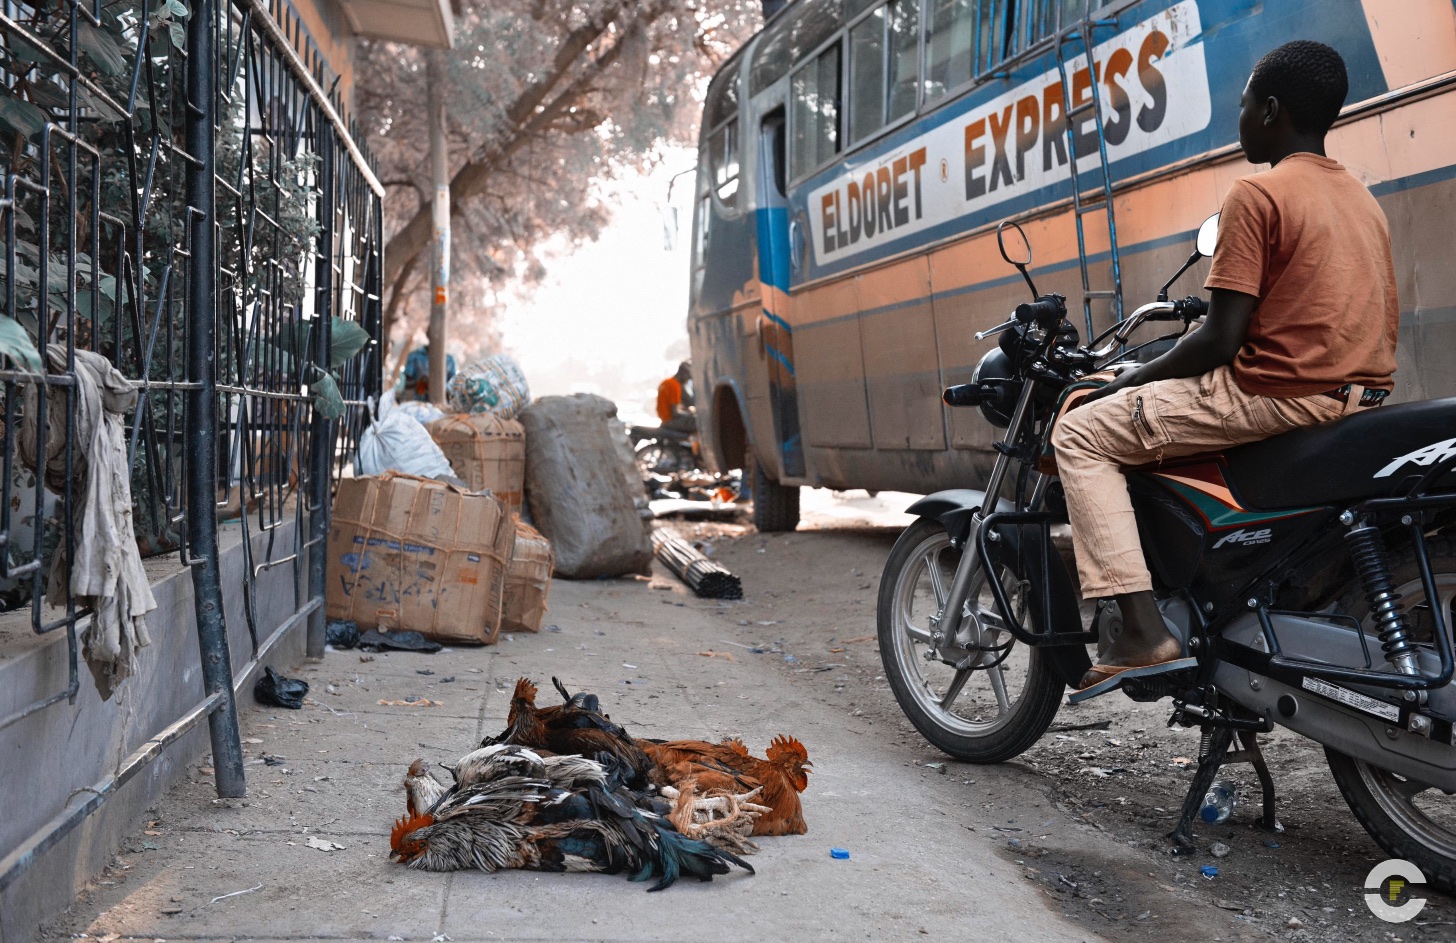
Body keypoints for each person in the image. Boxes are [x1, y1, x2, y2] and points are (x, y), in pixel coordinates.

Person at [1049, 40, 1399, 698]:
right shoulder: (1362, 199)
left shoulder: (1257, 194)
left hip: (1274, 394)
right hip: (1353, 399)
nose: (1238, 119)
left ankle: (1144, 631)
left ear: (1270, 111)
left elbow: (1220, 338)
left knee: (1081, 430)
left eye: (1242, 106)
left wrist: (1130, 379)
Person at [656, 362, 697, 434]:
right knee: (698, 422)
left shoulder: (665, 382)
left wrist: (686, 409)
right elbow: (675, 413)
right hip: (670, 421)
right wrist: (689, 413)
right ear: (684, 374)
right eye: (688, 377)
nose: (687, 380)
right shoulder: (675, 386)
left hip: (664, 419)